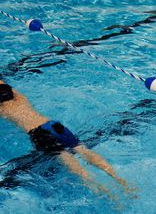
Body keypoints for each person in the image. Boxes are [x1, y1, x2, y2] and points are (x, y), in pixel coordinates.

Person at [0, 80, 132, 199]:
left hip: (40, 134)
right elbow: (7, 86)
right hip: (54, 125)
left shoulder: (2, 110)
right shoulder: (22, 99)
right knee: (84, 151)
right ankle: (122, 181)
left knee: (76, 168)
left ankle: (108, 194)